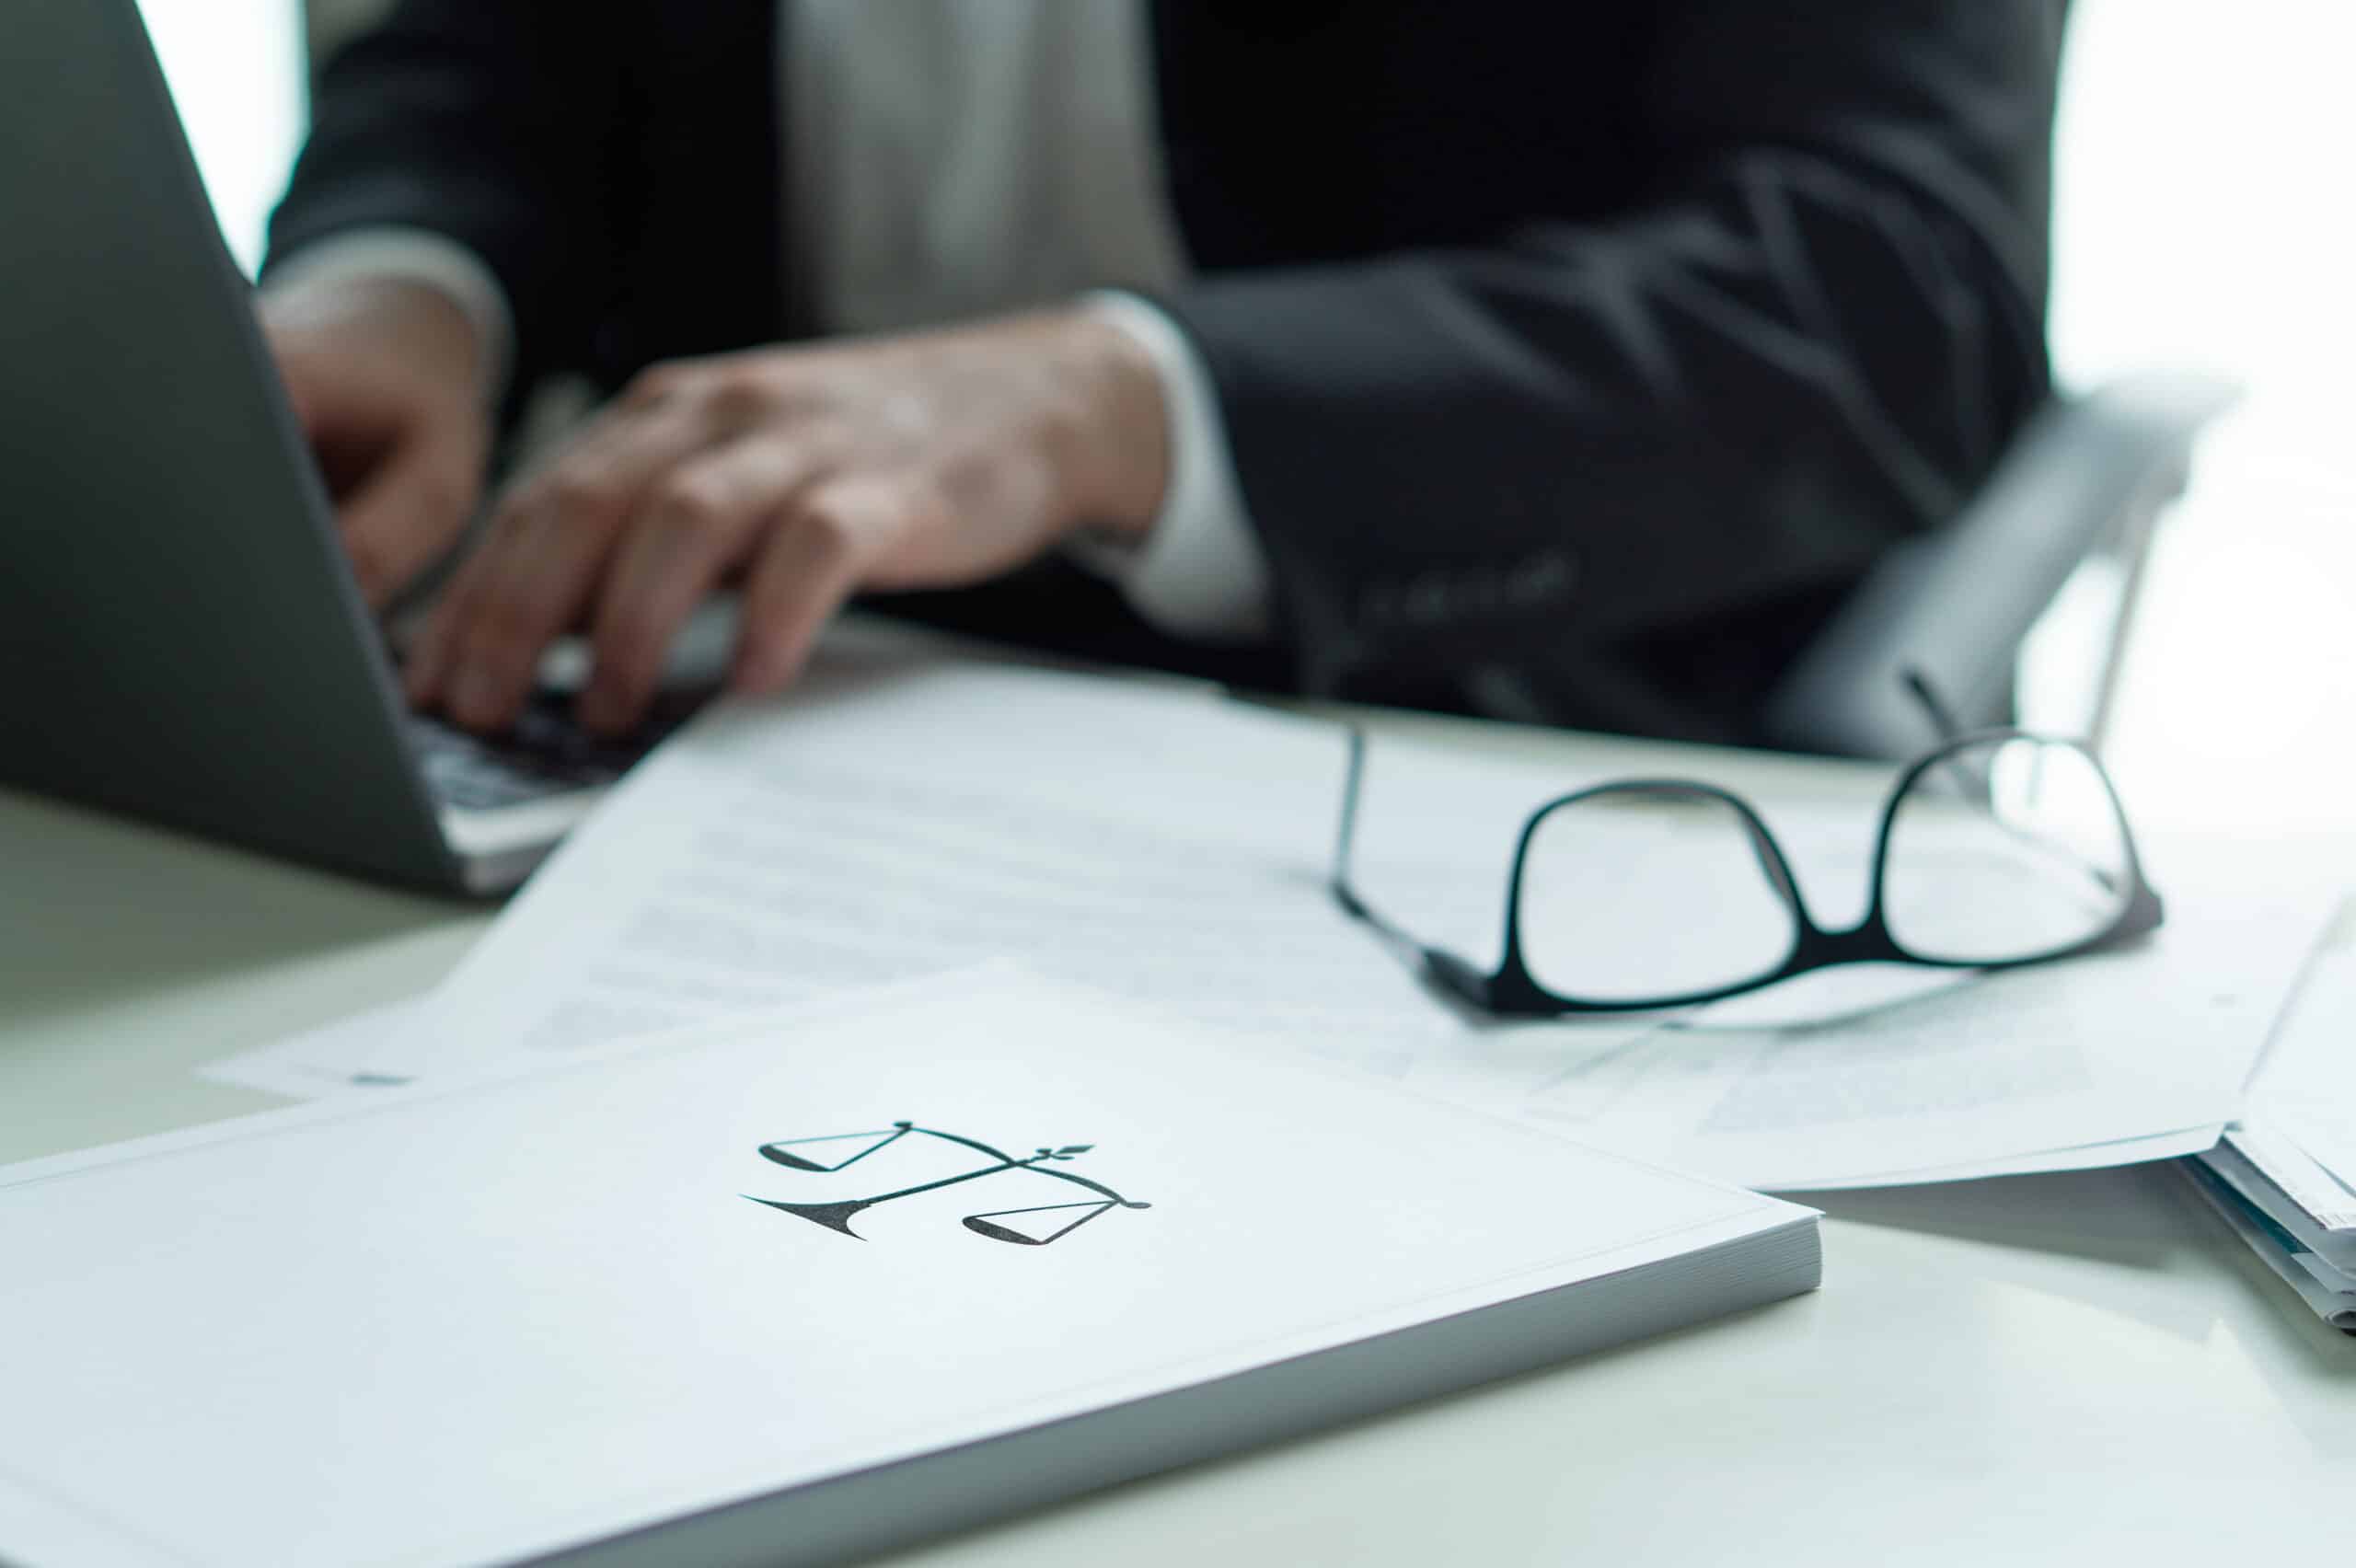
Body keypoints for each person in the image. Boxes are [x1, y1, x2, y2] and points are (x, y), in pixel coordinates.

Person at [259, 0, 2064, 745]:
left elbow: (1884, 293)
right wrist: (413, 280)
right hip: (706, 697)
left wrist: (1109, 409)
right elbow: (489, 51)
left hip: (1427, 719)